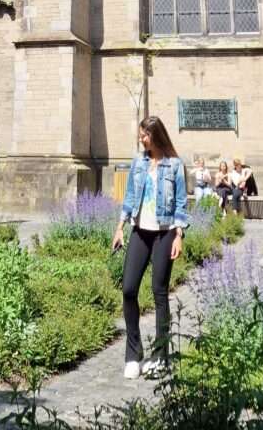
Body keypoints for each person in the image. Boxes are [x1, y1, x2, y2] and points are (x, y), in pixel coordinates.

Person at [112, 116, 188, 381]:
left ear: (156, 135)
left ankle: (160, 356)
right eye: (140, 135)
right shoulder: (139, 162)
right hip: (140, 232)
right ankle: (133, 353)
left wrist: (179, 235)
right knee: (128, 289)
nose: (141, 139)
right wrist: (120, 227)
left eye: (145, 135)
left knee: (159, 292)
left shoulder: (175, 165)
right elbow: (130, 197)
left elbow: (181, 203)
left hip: (165, 233)